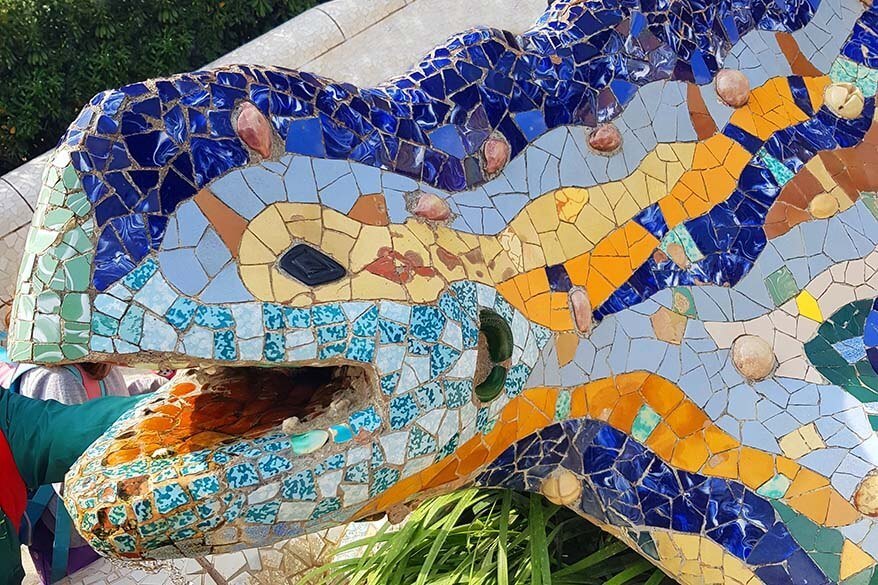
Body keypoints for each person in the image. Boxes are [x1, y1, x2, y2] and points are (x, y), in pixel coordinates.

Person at [0, 382, 144, 585]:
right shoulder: (54, 378)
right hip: (70, 526)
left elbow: (73, 429)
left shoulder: (7, 415)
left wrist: (168, 404)